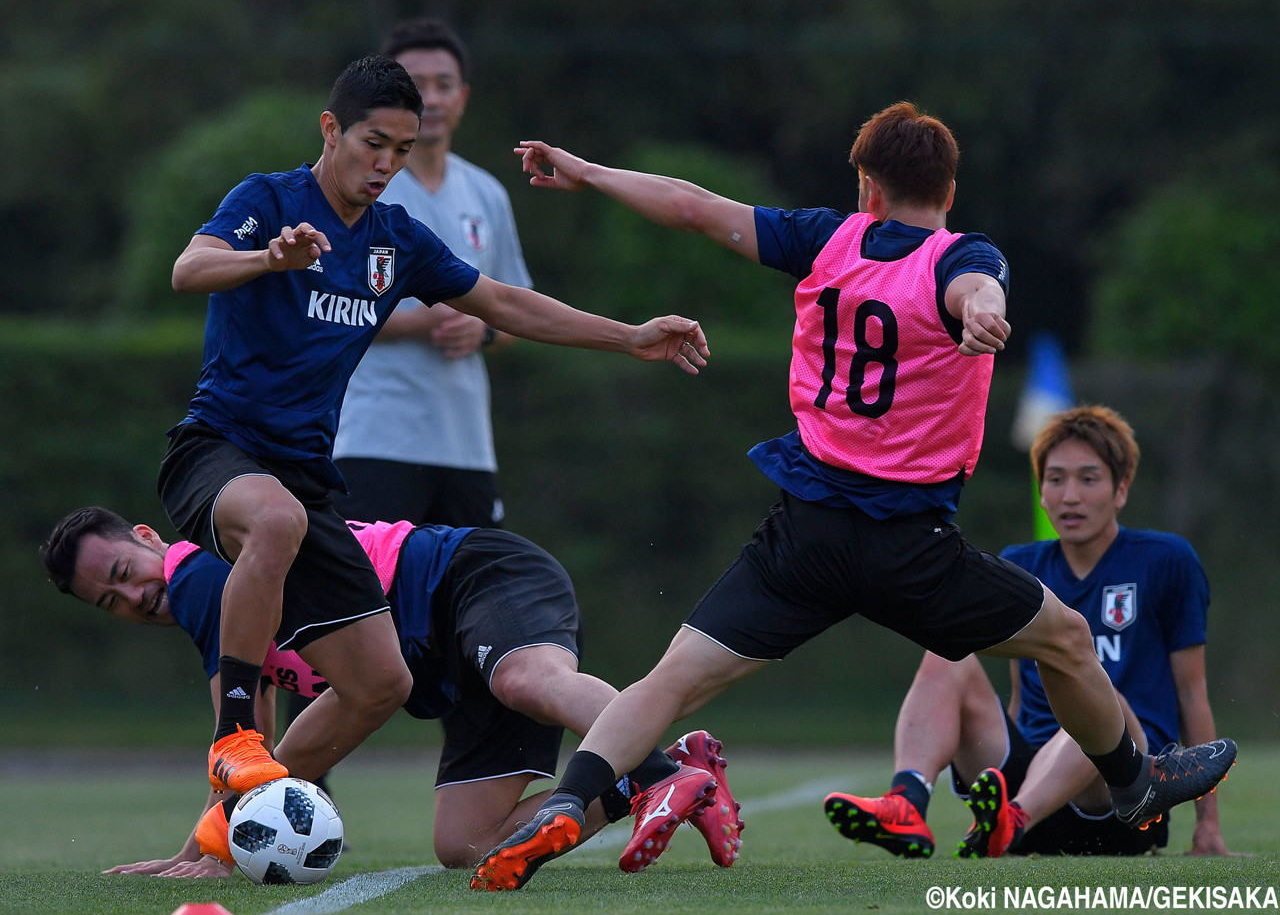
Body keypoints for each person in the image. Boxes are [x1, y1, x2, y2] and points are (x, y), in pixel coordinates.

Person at [469, 104, 1237, 891]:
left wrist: (590, 171)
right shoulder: (961, 257)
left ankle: (565, 800)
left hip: (802, 538)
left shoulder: (823, 238)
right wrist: (982, 313)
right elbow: (976, 288)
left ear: (866, 184)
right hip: (909, 546)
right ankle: (1135, 784)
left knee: (670, 680)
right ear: (949, 185)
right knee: (1068, 640)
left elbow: (693, 206)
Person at [159, 54, 709, 806]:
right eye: (371, 143)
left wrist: (630, 336)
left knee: (382, 681)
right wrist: (265, 258)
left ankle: (227, 831)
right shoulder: (268, 200)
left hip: (306, 480)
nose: (385, 164)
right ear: (330, 129)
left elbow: (505, 303)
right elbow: (189, 269)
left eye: (401, 149)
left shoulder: (396, 240)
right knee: (276, 520)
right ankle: (234, 738)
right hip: (215, 453)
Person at [39, 506, 743, 877]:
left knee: (524, 677)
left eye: (128, 570)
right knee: (466, 844)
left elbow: (240, 748)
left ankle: (661, 773)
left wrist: (212, 850)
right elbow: (273, 750)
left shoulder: (196, 575)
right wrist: (205, 844)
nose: (138, 595)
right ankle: (670, 772)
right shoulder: (218, 608)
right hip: (445, 668)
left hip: (468, 577)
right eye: (114, 602)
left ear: (147, 536)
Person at [824, 405, 1229, 859]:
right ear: (1041, 493)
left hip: (1123, 801)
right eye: (1055, 479)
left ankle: (1011, 820)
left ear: (1121, 490)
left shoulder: (1168, 561)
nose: (1070, 495)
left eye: (1088, 479)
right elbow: (1020, 696)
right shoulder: (1022, 565)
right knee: (946, 655)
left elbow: (1193, 695)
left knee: (1100, 699)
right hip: (1033, 785)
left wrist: (1207, 826)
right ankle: (908, 801)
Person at [333, 18, 530, 529]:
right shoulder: (359, 188)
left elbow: (514, 309)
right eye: (418, 87)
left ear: (463, 96)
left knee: (468, 599)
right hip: (373, 438)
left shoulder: (487, 192)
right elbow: (325, 303)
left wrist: (483, 327)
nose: (434, 99)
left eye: (444, 85)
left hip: (466, 446)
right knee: (377, 598)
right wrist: (428, 319)